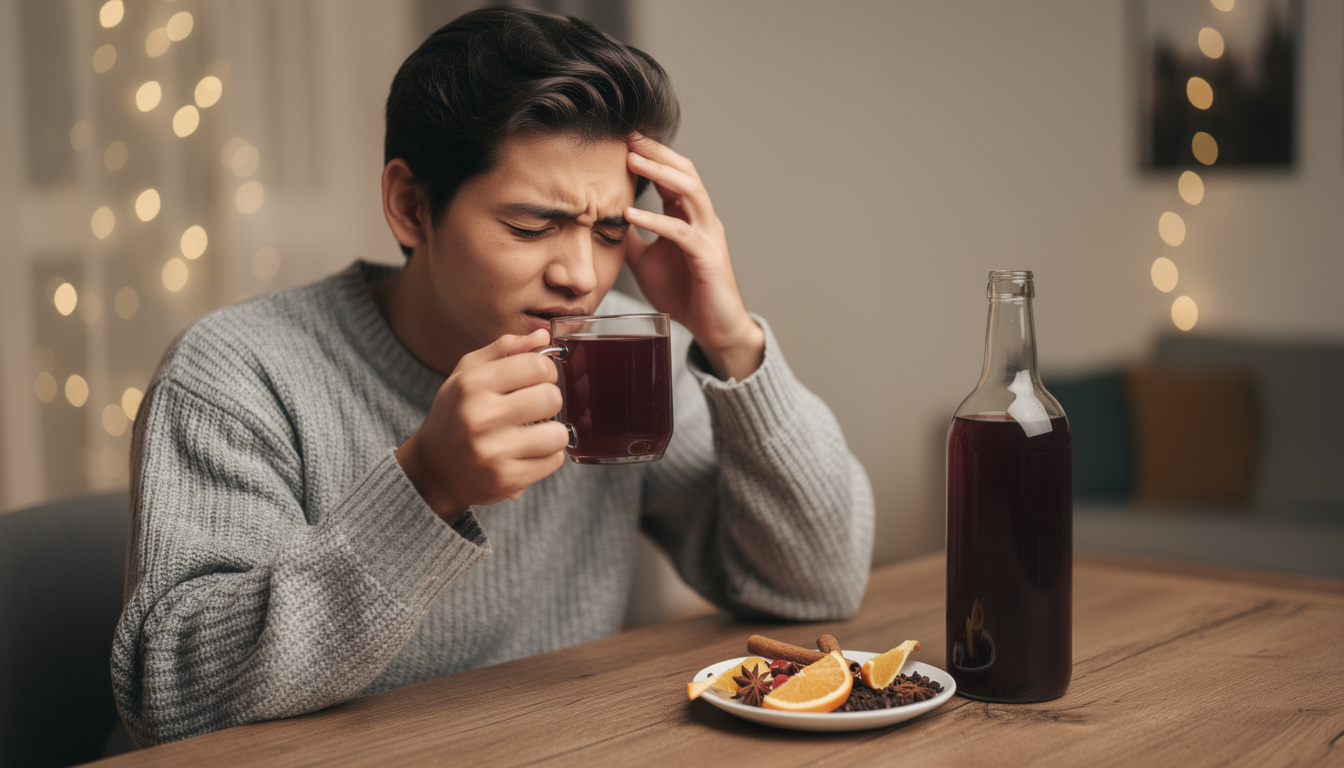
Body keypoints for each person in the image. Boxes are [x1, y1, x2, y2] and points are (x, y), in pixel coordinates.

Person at [112, 6, 874, 747]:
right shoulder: (237, 369)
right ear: (411, 207)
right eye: (532, 225)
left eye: (611, 230)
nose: (582, 276)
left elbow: (817, 586)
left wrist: (730, 337)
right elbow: (173, 702)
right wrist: (425, 487)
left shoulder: (620, 350)